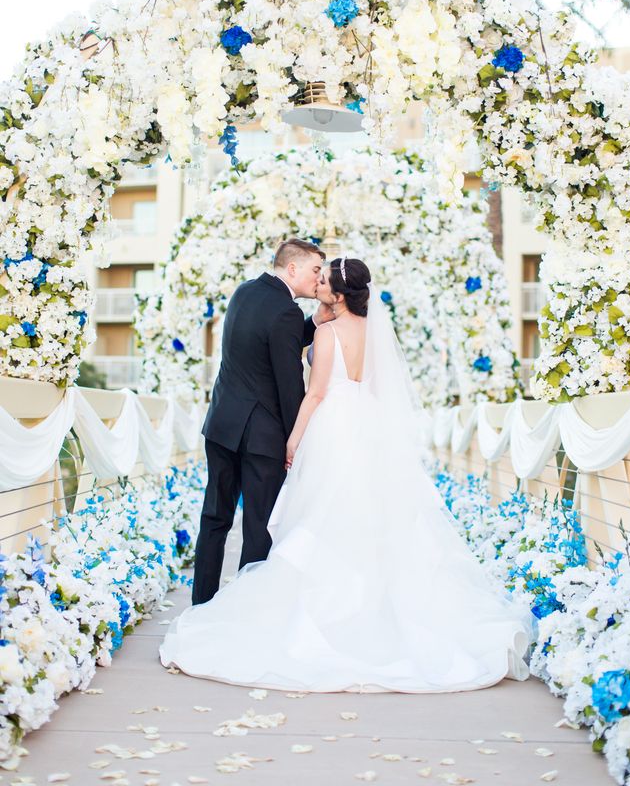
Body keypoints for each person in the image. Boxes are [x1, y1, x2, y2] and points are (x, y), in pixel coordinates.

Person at [162, 257, 537, 693]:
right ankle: (378, 614)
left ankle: (309, 612)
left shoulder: (325, 333)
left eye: (324, 281)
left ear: (338, 295)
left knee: (321, 516)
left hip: (330, 429)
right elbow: (376, 388)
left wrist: (293, 440)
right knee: (372, 518)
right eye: (316, 276)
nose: (318, 284)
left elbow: (316, 392)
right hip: (369, 427)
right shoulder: (373, 334)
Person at [191, 238, 330, 606]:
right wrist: (296, 439)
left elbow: (268, 339)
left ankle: (201, 605)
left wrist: (312, 322)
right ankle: (244, 610)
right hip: (261, 438)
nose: (319, 279)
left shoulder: (245, 293)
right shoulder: (284, 312)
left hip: (222, 425)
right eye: (316, 270)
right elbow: (289, 385)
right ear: (293, 269)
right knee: (258, 527)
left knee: (214, 519)